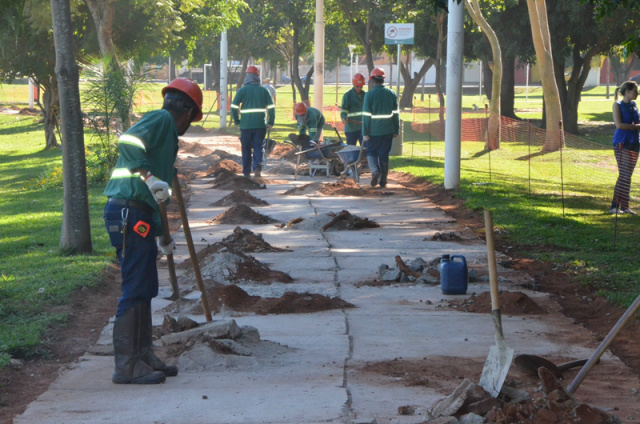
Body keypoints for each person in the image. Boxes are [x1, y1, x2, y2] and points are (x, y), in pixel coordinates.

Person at [103, 78, 204, 384]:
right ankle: (126, 365)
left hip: (140, 212)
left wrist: (162, 234)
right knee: (135, 285)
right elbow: (128, 141)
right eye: (193, 117)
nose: (191, 124)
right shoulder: (161, 119)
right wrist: (147, 176)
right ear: (185, 110)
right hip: (127, 210)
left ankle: (143, 354)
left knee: (145, 285)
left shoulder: (168, 139)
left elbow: (157, 197)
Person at [231, 65, 276, 177]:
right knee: (258, 147)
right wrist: (270, 122)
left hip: (245, 126)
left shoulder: (242, 90)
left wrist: (237, 120)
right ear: (257, 76)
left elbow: (234, 106)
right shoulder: (264, 90)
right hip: (260, 125)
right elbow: (271, 108)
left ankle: (246, 172)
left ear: (247, 76)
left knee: (245, 149)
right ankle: (257, 168)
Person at [362, 68, 399, 188]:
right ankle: (383, 181)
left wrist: (365, 132)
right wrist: (396, 130)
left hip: (374, 131)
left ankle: (375, 171)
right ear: (383, 79)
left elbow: (366, 116)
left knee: (371, 152)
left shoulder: (369, 95)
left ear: (372, 80)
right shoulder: (391, 94)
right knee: (384, 154)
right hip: (388, 131)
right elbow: (396, 114)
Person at [610, 80, 640, 215]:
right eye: (635, 90)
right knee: (624, 174)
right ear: (628, 91)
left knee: (628, 175)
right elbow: (619, 125)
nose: (637, 93)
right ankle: (614, 206)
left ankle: (625, 207)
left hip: (635, 141)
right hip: (622, 142)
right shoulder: (617, 105)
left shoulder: (634, 105)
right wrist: (636, 127)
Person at [340, 73, 366, 146]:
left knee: (364, 150)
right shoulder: (348, 95)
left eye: (361, 86)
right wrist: (344, 117)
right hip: (351, 128)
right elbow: (344, 109)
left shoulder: (365, 95)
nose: (359, 88)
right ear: (353, 84)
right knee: (351, 149)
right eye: (357, 86)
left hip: (363, 128)